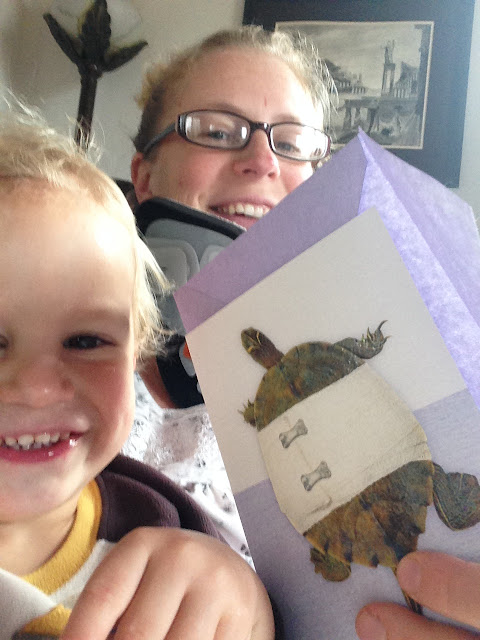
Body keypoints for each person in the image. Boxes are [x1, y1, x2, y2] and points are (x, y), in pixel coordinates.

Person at [128, 25, 480, 640]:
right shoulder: (59, 370)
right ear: (144, 175)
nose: (263, 160)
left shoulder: (426, 336)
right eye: (217, 131)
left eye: (292, 143)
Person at [0, 106, 275, 640]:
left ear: (136, 354)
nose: (37, 387)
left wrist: (247, 607)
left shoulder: (169, 533)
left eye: (86, 342)